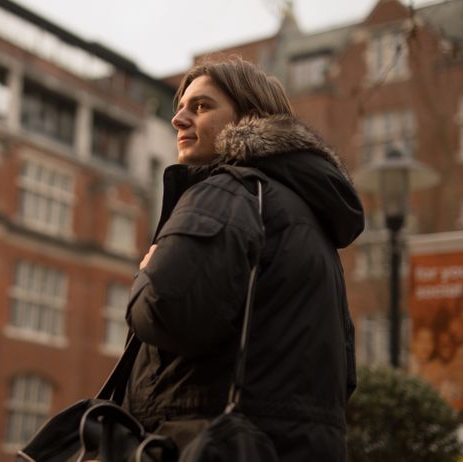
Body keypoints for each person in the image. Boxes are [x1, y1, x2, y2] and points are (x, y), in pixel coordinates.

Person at [123, 58, 364, 461]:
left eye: (200, 107)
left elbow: (165, 311)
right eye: (180, 107)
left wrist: (148, 272)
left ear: (249, 119)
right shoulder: (308, 220)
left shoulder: (227, 192)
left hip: (205, 444)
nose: (178, 119)